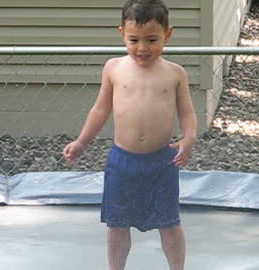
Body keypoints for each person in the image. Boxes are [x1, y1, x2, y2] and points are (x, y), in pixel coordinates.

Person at [62, 0, 197, 269]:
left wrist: (189, 138)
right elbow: (100, 110)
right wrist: (81, 142)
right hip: (122, 162)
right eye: (134, 39)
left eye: (152, 39)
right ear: (122, 33)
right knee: (117, 224)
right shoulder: (114, 68)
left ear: (168, 34)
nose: (142, 48)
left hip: (162, 162)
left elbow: (187, 113)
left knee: (169, 222)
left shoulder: (175, 73)